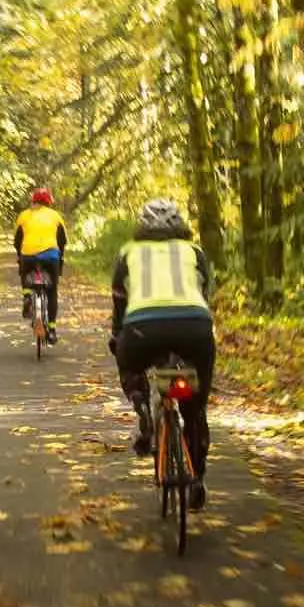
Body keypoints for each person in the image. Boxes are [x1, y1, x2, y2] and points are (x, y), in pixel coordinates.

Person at [109, 197, 214, 508]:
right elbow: (205, 291)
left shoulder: (127, 253)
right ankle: (196, 478)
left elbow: (119, 300)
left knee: (128, 361)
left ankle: (141, 403)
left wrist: (118, 337)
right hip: (194, 326)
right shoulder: (194, 252)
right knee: (195, 408)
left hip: (143, 329)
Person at [12, 188, 67, 343]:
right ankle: (52, 329)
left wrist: (20, 257)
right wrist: (60, 259)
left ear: (33, 201)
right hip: (51, 256)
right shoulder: (56, 216)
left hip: (28, 256)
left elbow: (17, 241)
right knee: (52, 292)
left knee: (25, 274)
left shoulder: (23, 216)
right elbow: (62, 241)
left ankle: (27, 296)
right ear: (49, 202)